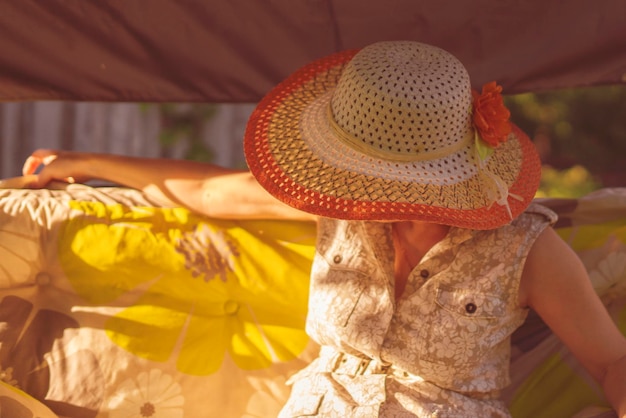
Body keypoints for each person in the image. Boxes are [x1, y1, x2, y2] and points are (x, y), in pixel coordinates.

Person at [22, 41, 626, 417]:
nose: (372, 193)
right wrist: (86, 165)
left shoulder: (527, 249)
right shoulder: (337, 205)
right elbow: (208, 190)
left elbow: (609, 362)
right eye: (363, 173)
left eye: (392, 177)